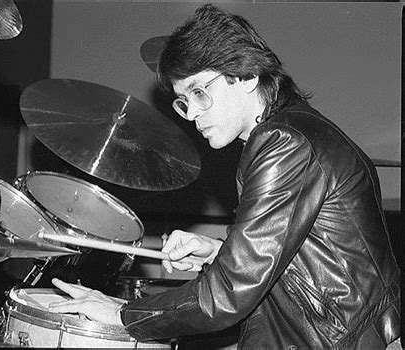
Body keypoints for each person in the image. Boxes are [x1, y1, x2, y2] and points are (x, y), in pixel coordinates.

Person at [49, 4, 400, 349]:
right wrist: (218, 251)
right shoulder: (289, 132)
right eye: (184, 101)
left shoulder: (285, 143)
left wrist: (124, 313)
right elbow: (289, 259)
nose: (192, 115)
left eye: (200, 92)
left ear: (247, 76)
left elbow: (230, 292)